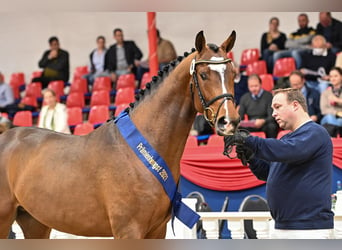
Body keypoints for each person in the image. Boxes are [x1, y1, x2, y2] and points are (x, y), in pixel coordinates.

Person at [224, 88, 334, 239]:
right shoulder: (287, 139)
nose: (273, 113)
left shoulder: (316, 132)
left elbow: (289, 151)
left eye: (277, 107)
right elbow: (268, 174)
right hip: (284, 227)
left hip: (309, 229)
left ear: (295, 105)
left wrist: (249, 140)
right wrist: (252, 158)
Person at [238, 74, 278, 138]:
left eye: (256, 86)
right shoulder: (244, 98)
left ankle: (270, 146)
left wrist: (263, 121)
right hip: (251, 124)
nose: (253, 89)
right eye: (251, 86)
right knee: (238, 128)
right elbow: (240, 118)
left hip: (265, 123)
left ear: (260, 85)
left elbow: (272, 116)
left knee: (272, 126)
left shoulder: (268, 96)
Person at [320, 67, 342, 137]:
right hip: (327, 119)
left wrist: (337, 100)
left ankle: (334, 138)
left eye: (336, 76)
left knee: (339, 121)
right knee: (330, 117)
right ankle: (337, 136)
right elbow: (324, 110)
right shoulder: (325, 92)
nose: (333, 78)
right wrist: (337, 113)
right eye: (331, 76)